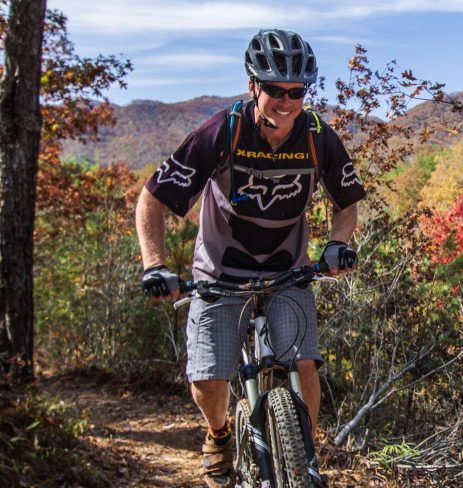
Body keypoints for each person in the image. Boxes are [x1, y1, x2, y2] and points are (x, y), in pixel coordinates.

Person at [135, 28, 364, 488]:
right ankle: (218, 433)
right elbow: (152, 200)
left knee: (304, 364)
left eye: (296, 92)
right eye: (274, 90)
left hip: (288, 270)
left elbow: (347, 202)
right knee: (210, 379)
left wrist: (339, 241)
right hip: (220, 273)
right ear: (252, 86)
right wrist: (155, 264)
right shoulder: (224, 130)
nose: (286, 101)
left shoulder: (318, 136)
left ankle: (303, 457)